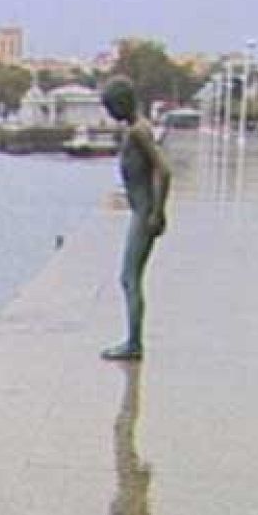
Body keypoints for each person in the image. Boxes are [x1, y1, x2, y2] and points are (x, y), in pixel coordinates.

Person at [100, 76, 171, 362]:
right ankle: (132, 339)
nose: (109, 114)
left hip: (143, 214)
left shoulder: (138, 132)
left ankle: (133, 342)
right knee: (130, 278)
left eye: (111, 107)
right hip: (141, 210)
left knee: (130, 278)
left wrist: (157, 211)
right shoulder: (137, 129)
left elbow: (164, 171)